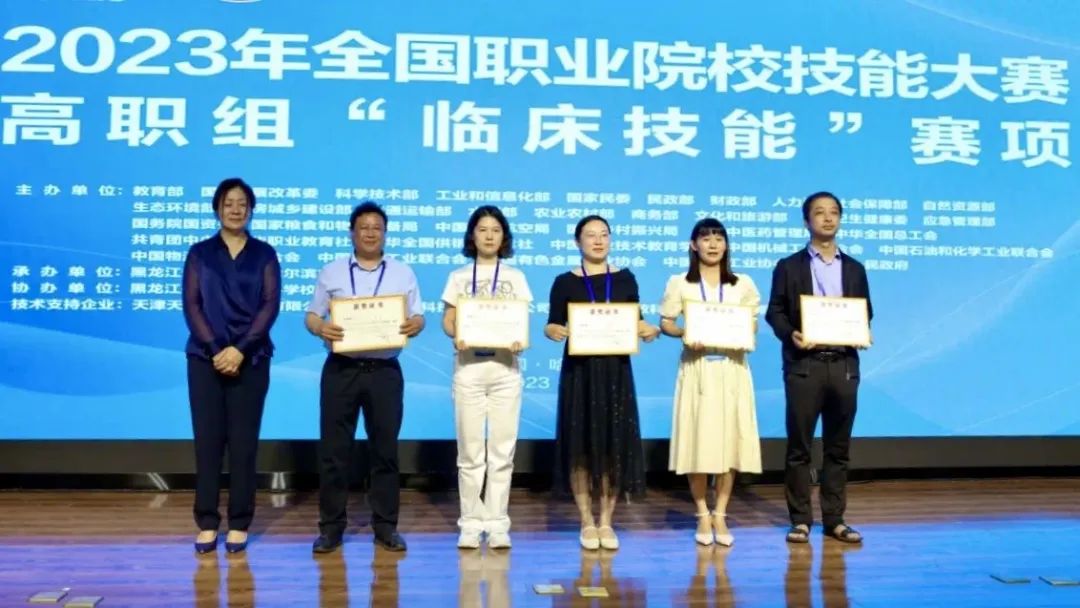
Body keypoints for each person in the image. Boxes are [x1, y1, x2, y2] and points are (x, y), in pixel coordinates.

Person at [304, 201, 425, 553]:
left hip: (384, 371)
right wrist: (320, 327)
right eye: (364, 227)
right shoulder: (332, 271)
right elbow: (311, 315)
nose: (370, 233)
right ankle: (331, 528)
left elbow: (418, 317)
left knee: (385, 452)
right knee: (334, 452)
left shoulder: (402, 272)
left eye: (377, 228)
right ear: (352, 233)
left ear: (384, 233)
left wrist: (416, 324)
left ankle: (386, 526)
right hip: (341, 370)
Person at [544, 215, 660, 551]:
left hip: (615, 372)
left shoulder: (625, 279)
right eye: (590, 235)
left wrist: (649, 330)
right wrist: (552, 330)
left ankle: (607, 521)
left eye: (604, 235)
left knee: (612, 447)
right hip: (579, 372)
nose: (598, 240)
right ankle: (586, 520)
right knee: (580, 447)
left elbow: (636, 321)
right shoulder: (564, 282)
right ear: (577, 241)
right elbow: (552, 324)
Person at [765, 191, 873, 544]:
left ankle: (835, 519)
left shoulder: (854, 268)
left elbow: (865, 310)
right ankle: (800, 520)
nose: (828, 218)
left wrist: (861, 329)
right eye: (820, 212)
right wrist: (790, 334)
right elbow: (775, 311)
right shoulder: (789, 266)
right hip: (805, 365)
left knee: (838, 448)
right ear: (806, 220)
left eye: (834, 212)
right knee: (800, 447)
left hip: (843, 365)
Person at [182, 177, 281, 554]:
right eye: (229, 203)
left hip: (251, 359)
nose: (236, 210)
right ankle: (207, 521)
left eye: (242, 203)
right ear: (217, 209)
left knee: (243, 444)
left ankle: (239, 522)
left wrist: (239, 350)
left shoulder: (265, 254)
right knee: (208, 442)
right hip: (204, 359)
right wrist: (215, 349)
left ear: (251, 209)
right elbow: (191, 305)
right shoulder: (200, 253)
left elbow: (270, 305)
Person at [659, 218, 762, 547]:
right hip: (698, 367)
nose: (713, 244)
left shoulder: (742, 283)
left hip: (732, 367)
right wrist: (685, 333)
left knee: (730, 441)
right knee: (699, 441)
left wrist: (741, 332)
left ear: (727, 245)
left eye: (719, 238)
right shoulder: (680, 282)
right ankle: (702, 513)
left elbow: (752, 324)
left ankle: (721, 513)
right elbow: (666, 323)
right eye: (705, 238)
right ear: (694, 245)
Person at [440, 205, 532, 550]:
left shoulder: (516, 277)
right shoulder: (459, 276)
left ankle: (497, 523)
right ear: (472, 236)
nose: (489, 236)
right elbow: (448, 320)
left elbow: (521, 321)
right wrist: (457, 334)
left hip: (505, 370)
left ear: (504, 236)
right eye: (482, 230)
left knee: (502, 452)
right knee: (470, 452)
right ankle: (470, 522)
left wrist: (519, 339)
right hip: (469, 370)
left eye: (495, 230)